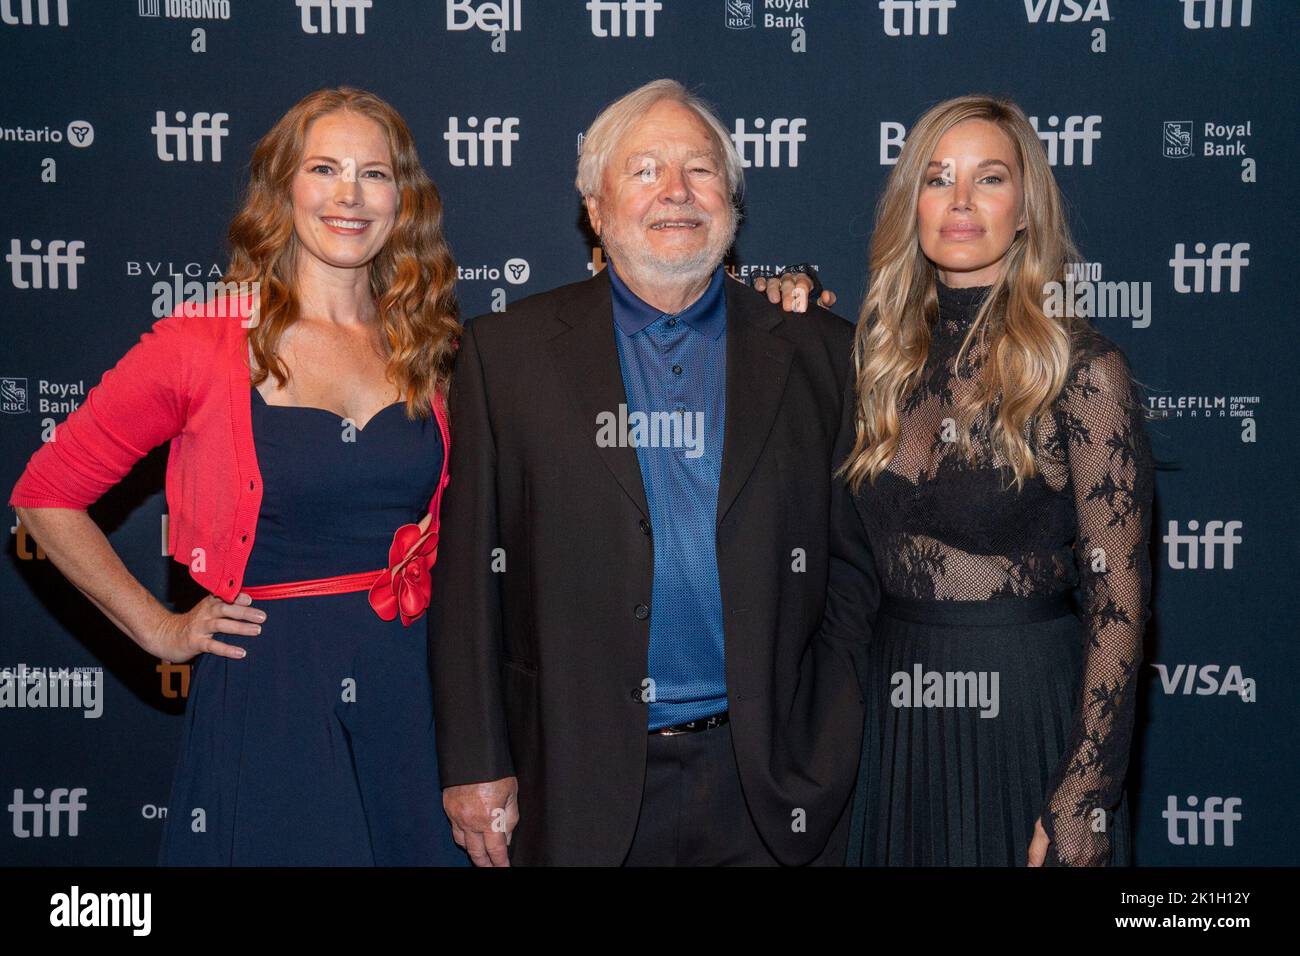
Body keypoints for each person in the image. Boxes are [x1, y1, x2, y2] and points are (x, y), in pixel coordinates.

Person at [9, 87, 467, 866]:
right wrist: (160, 628)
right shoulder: (203, 344)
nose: (350, 195)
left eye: (376, 174)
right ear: (284, 187)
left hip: (413, 685)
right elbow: (45, 495)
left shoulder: (426, 344)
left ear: (405, 200)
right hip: (275, 689)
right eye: (325, 168)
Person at [430, 78, 868, 866]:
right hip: (574, 783)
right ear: (595, 210)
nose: (676, 192)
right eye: (644, 171)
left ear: (731, 208)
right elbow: (468, 582)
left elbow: (853, 573)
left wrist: (828, 736)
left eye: (701, 171)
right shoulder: (505, 355)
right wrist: (473, 763)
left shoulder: (820, 354)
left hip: (770, 788)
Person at [825, 94, 1154, 866]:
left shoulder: (1083, 372)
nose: (962, 201)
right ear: (913, 206)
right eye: (938, 179)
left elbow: (1120, 603)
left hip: (1025, 712)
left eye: (990, 178)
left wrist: (1084, 793)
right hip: (893, 716)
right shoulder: (878, 366)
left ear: (1027, 210)